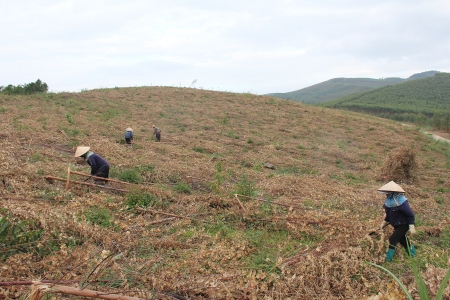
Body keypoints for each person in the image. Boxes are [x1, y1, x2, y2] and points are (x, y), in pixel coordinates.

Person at [377, 181, 416, 262]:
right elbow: (388, 215)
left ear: (393, 193)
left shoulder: (402, 202)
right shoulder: (389, 202)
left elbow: (410, 214)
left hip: (403, 224)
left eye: (388, 193)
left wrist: (411, 226)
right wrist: (382, 224)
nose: (386, 195)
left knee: (393, 239)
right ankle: (412, 255)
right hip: (396, 224)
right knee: (403, 240)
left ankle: (388, 259)